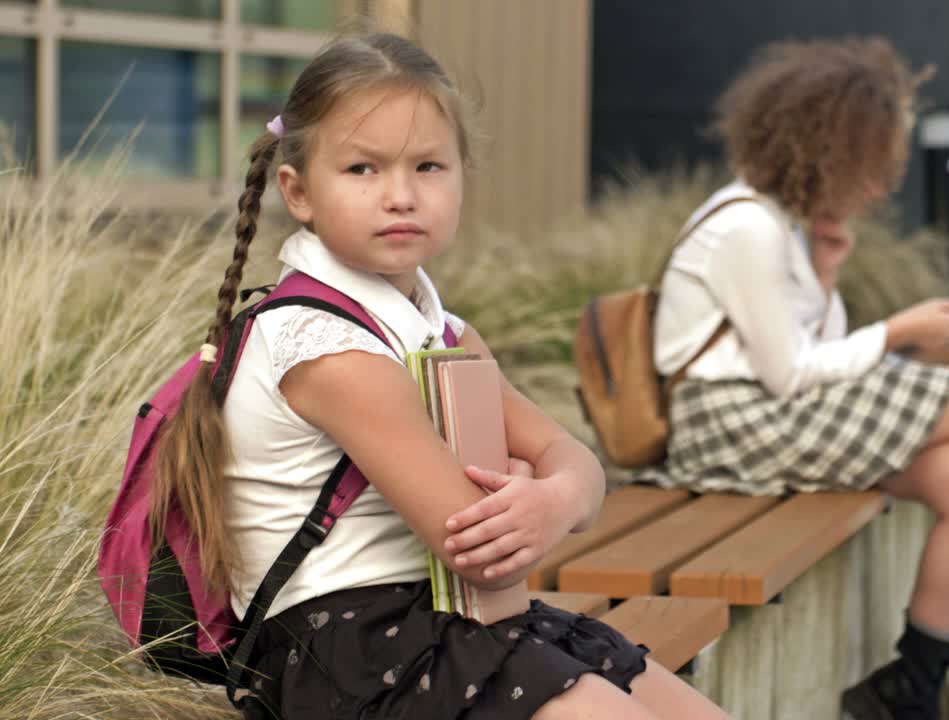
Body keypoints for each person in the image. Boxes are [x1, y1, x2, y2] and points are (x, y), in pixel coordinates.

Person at [149, 31, 728, 720]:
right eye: (363, 169)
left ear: (461, 175)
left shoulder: (437, 329)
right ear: (298, 193)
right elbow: (479, 548)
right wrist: (546, 498)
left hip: (446, 621)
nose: (401, 195)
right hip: (344, 651)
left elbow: (575, 464)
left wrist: (561, 496)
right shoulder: (324, 348)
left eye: (428, 166)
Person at [643, 37, 949, 720]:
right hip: (732, 424)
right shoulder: (748, 229)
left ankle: (914, 680)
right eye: (871, 169)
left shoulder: (779, 224)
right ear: (823, 153)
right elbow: (790, 375)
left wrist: (824, 274)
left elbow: (805, 352)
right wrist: (898, 332)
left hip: (767, 416)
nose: (881, 189)